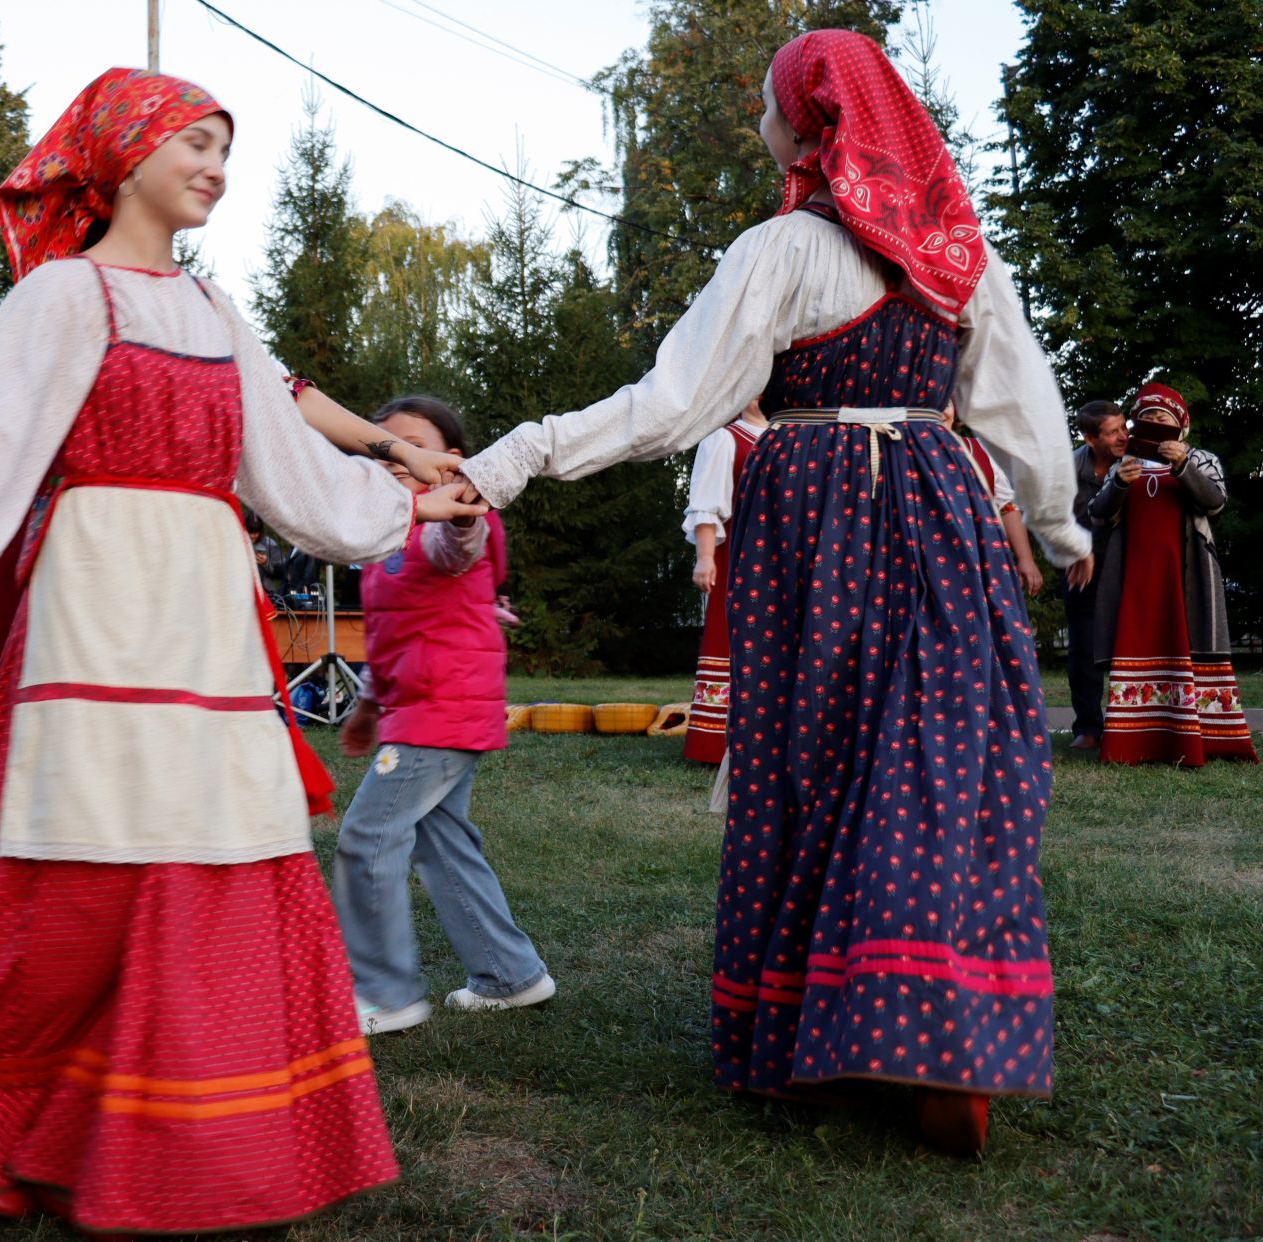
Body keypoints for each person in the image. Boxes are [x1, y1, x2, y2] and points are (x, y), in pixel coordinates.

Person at [0, 68, 485, 1235]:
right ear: (123, 160)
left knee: (218, 844)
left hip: (207, 618)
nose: (216, 166)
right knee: (79, 857)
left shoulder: (218, 313)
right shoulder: (65, 299)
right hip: (97, 601)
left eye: (225, 148)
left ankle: (204, 1133)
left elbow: (283, 463)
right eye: (194, 144)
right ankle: (9, 1107)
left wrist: (403, 506)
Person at [454, 30, 1092, 1156]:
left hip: (822, 516)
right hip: (941, 510)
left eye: (767, 108)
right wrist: (1054, 520)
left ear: (812, 125)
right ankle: (934, 1029)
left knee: (819, 758)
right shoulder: (958, 256)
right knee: (935, 751)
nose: (760, 126)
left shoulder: (783, 250)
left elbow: (670, 404)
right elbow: (1022, 406)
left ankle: (816, 1040)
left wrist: (516, 455)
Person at [333, 395, 552, 1036]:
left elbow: (463, 542)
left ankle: (385, 992)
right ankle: (510, 975)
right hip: (427, 712)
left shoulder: (443, 527)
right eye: (380, 449)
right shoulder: (383, 541)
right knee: (441, 840)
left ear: (450, 464)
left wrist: (462, 504)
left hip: (439, 715)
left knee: (367, 838)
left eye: (408, 448)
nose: (393, 460)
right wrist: (368, 706)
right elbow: (390, 637)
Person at [1089, 383, 1256, 765]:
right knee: (1136, 643)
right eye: (1145, 418)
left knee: (1189, 642)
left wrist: (1182, 465)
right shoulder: (1123, 464)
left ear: (1181, 425)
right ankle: (1131, 744)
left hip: (1186, 575)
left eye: (1162, 417)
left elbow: (1215, 502)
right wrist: (1117, 484)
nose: (1153, 422)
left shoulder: (1202, 458)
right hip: (1134, 577)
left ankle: (1208, 740)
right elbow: (1098, 513)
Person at [681, 397, 767, 765]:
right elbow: (707, 504)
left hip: (785, 562)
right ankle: (716, 743)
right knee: (731, 637)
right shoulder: (724, 439)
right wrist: (704, 558)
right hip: (739, 558)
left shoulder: (792, 437)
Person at [1066, 400, 1128, 749]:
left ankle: (1130, 723)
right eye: (1112, 431)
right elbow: (1060, 520)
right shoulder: (1069, 468)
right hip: (1081, 564)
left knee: (1132, 641)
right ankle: (1088, 727)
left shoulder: (1137, 460)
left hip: (1129, 561)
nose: (1123, 436)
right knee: (1083, 646)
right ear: (1090, 438)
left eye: (1124, 427)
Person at [943, 398, 1044, 599]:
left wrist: (1025, 558)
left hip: (981, 560)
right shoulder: (899, 452)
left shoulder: (980, 451)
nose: (937, 412)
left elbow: (1006, 506)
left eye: (944, 404)